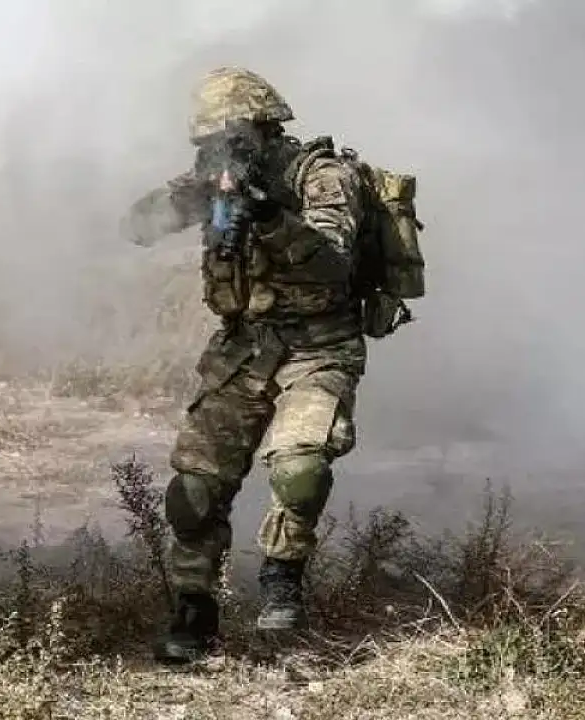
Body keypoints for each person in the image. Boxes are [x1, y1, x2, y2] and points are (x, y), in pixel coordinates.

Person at [121, 66, 423, 665]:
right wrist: (197, 191)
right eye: (210, 141)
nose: (222, 149)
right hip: (243, 346)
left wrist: (268, 216)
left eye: (231, 138)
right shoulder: (216, 177)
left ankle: (282, 577)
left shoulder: (323, 176)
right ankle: (193, 609)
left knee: (300, 468)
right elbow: (136, 227)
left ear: (265, 127)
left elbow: (332, 263)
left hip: (319, 344)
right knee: (194, 489)